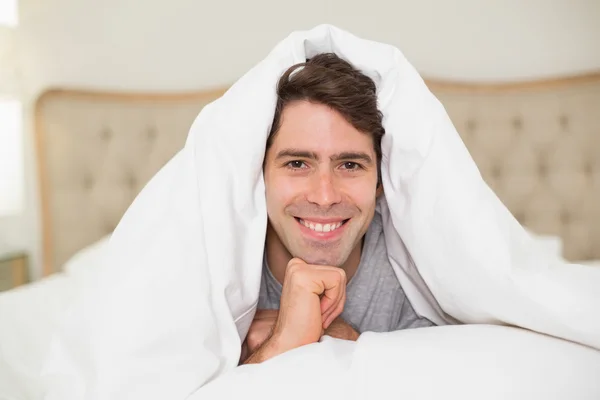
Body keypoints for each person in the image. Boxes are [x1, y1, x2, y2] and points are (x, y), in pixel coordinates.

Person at [241, 53, 434, 364]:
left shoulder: (418, 278)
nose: (325, 196)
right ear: (259, 177)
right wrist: (280, 344)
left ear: (380, 183)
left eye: (349, 164)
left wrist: (350, 342)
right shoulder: (218, 270)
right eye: (297, 163)